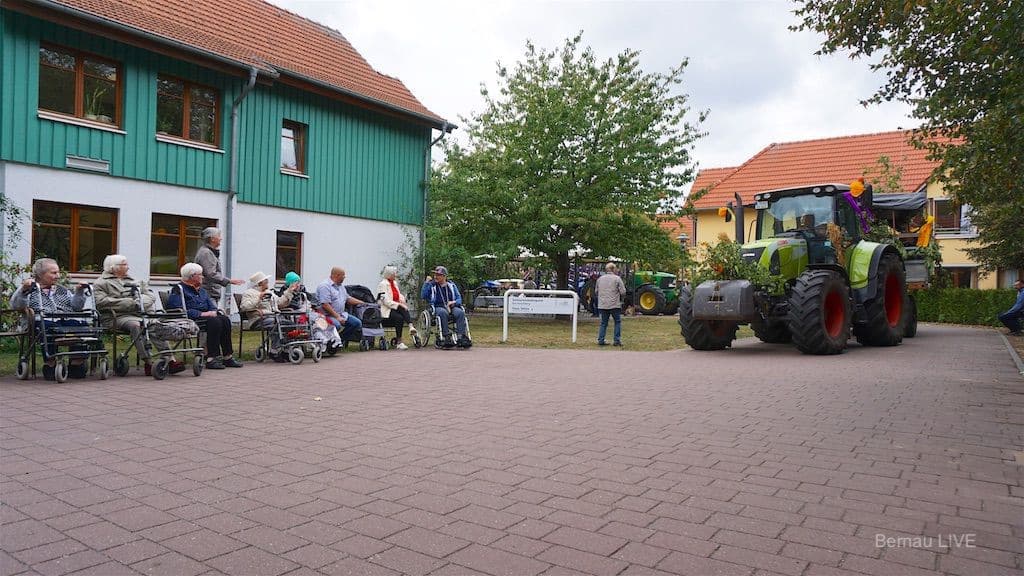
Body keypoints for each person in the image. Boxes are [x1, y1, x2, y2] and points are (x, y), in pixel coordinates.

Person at [94, 254, 182, 376]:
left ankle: (170, 360)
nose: (128, 267)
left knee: (155, 325)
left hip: (139, 313)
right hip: (116, 317)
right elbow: (102, 302)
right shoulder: (101, 283)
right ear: (113, 267)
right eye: (124, 264)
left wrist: (139, 304)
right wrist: (129, 302)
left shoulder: (135, 281)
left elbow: (150, 296)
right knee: (137, 325)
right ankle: (148, 361)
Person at [8, 258, 91, 379]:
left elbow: (76, 307)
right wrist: (24, 290)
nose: (57, 276)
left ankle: (76, 363)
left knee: (81, 325)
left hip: (63, 320)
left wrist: (79, 292)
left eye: (58, 272)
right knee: (47, 327)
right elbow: (17, 306)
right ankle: (50, 364)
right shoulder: (30, 289)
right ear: (40, 274)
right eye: (53, 273)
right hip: (39, 321)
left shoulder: (62, 290)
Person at [168, 262, 242, 369]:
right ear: (192, 276)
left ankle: (227, 356)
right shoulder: (178, 290)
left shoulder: (202, 291)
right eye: (200, 275)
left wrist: (214, 311)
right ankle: (211, 358)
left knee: (224, 319)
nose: (202, 277)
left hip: (205, 319)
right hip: (190, 319)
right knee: (214, 321)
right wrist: (201, 313)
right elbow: (176, 309)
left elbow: (211, 306)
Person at [239, 271, 298, 361]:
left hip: (272, 317)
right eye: (265, 280)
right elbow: (244, 307)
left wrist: (289, 291)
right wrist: (259, 298)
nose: (267, 282)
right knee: (278, 323)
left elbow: (280, 303)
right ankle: (274, 351)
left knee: (289, 324)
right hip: (258, 319)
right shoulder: (249, 293)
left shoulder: (269, 292)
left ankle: (285, 350)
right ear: (260, 283)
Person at [280, 271, 342, 351]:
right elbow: (287, 304)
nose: (298, 284)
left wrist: (314, 308)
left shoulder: (303, 292)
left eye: (299, 282)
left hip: (308, 313)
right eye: (296, 282)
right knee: (316, 324)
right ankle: (324, 342)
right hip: (297, 315)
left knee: (325, 322)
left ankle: (335, 341)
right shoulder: (285, 293)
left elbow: (314, 302)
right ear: (290, 283)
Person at [421, 265, 470, 348]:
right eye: (435, 275)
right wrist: (426, 283)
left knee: (460, 313)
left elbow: (459, 298)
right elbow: (423, 296)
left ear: (444, 276)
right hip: (437, 306)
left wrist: (453, 302)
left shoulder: (451, 285)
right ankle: (446, 336)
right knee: (442, 313)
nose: (436, 276)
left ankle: (461, 337)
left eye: (438, 275)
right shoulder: (432, 285)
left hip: (451, 306)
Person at [194, 227, 243, 309]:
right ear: (212, 239)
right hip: (208, 293)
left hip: (210, 293)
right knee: (212, 318)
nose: (221, 238)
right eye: (219, 236)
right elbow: (210, 274)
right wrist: (229, 281)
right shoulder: (206, 253)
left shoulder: (209, 252)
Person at [316, 267, 363, 345]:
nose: (344, 277)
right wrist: (337, 316)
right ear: (337, 275)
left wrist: (362, 303)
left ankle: (339, 340)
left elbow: (348, 298)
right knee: (336, 325)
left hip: (341, 313)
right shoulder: (324, 286)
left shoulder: (340, 286)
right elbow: (325, 304)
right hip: (326, 315)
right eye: (343, 275)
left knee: (356, 323)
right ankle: (329, 343)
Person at [376, 265, 417, 350]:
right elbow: (385, 300)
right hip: (386, 310)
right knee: (399, 317)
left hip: (396, 308)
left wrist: (402, 301)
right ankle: (400, 340)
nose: (396, 275)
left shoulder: (394, 283)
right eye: (395, 273)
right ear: (389, 274)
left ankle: (410, 327)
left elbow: (398, 295)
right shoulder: (382, 284)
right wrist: (398, 305)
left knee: (404, 308)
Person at [596, 262, 626, 347]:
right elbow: (623, 291)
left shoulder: (600, 279)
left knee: (603, 323)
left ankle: (601, 339)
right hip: (614, 304)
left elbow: (596, 291)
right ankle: (617, 340)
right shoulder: (617, 279)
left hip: (602, 304)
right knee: (617, 321)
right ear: (613, 269)